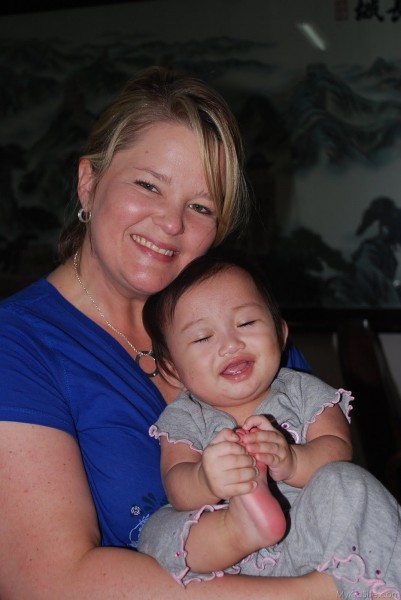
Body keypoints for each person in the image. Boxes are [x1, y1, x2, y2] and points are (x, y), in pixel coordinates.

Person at [0, 66, 399, 600]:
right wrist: (321, 592)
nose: (171, 222)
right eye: (149, 185)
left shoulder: (238, 328)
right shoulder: (18, 347)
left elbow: (342, 486)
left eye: (201, 206)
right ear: (88, 183)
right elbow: (47, 582)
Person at [138, 255, 401, 595]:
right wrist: (206, 478)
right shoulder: (185, 416)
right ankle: (241, 527)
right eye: (203, 338)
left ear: (280, 332)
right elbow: (177, 481)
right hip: (230, 557)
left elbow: (338, 447)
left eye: (246, 323)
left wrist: (293, 461)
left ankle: (377, 589)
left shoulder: (302, 390)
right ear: (173, 369)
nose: (230, 344)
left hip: (311, 538)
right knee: (155, 531)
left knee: (349, 483)